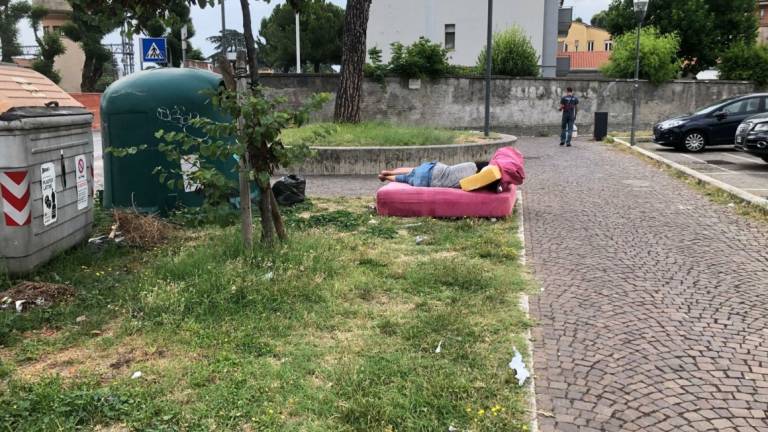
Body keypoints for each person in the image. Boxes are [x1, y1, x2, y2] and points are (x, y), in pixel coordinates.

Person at [379, 161, 495, 189]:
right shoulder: (474, 182)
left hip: (437, 169)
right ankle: (386, 177)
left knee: (414, 169)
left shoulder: (472, 165)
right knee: (405, 179)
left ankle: (390, 172)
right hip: (430, 182)